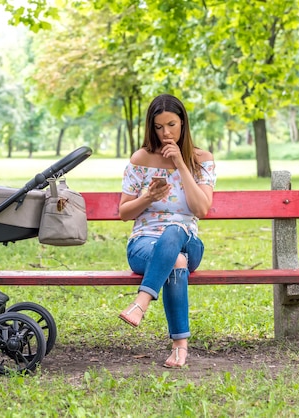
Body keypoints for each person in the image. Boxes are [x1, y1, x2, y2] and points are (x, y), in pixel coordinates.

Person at [118, 93, 216, 368]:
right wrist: (148, 197)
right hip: (144, 245)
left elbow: (201, 209)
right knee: (176, 260)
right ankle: (180, 347)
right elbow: (124, 213)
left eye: (171, 125)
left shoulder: (202, 160)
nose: (165, 133)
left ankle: (141, 301)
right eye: (159, 127)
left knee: (175, 232)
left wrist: (181, 165)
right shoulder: (141, 159)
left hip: (188, 240)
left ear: (183, 123)